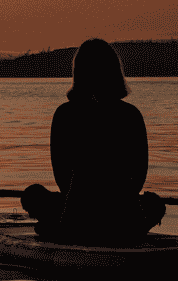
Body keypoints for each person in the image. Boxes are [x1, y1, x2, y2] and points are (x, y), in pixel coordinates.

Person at [21, 38, 165, 244]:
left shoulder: (65, 114)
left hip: (78, 211)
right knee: (154, 203)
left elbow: (62, 177)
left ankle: (60, 227)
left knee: (33, 195)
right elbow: (139, 177)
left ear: (78, 74)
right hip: (123, 211)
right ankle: (121, 228)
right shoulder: (131, 114)